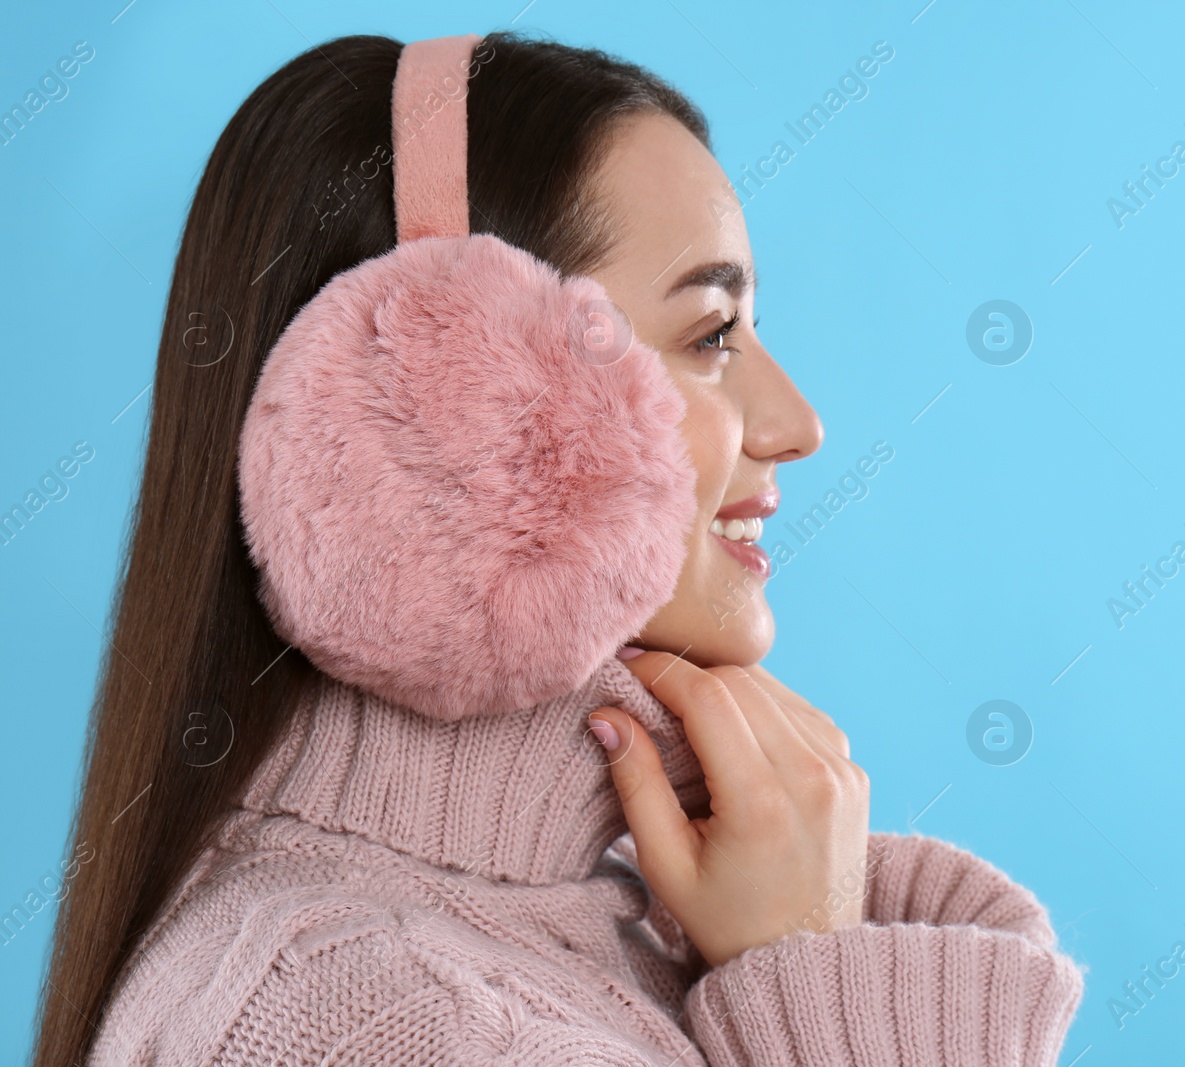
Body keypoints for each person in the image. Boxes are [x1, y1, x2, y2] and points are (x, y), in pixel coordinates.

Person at [30, 31, 1083, 1067]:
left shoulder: (626, 926)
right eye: (712, 335)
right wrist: (813, 985)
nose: (798, 422)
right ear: (443, 408)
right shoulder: (358, 1016)